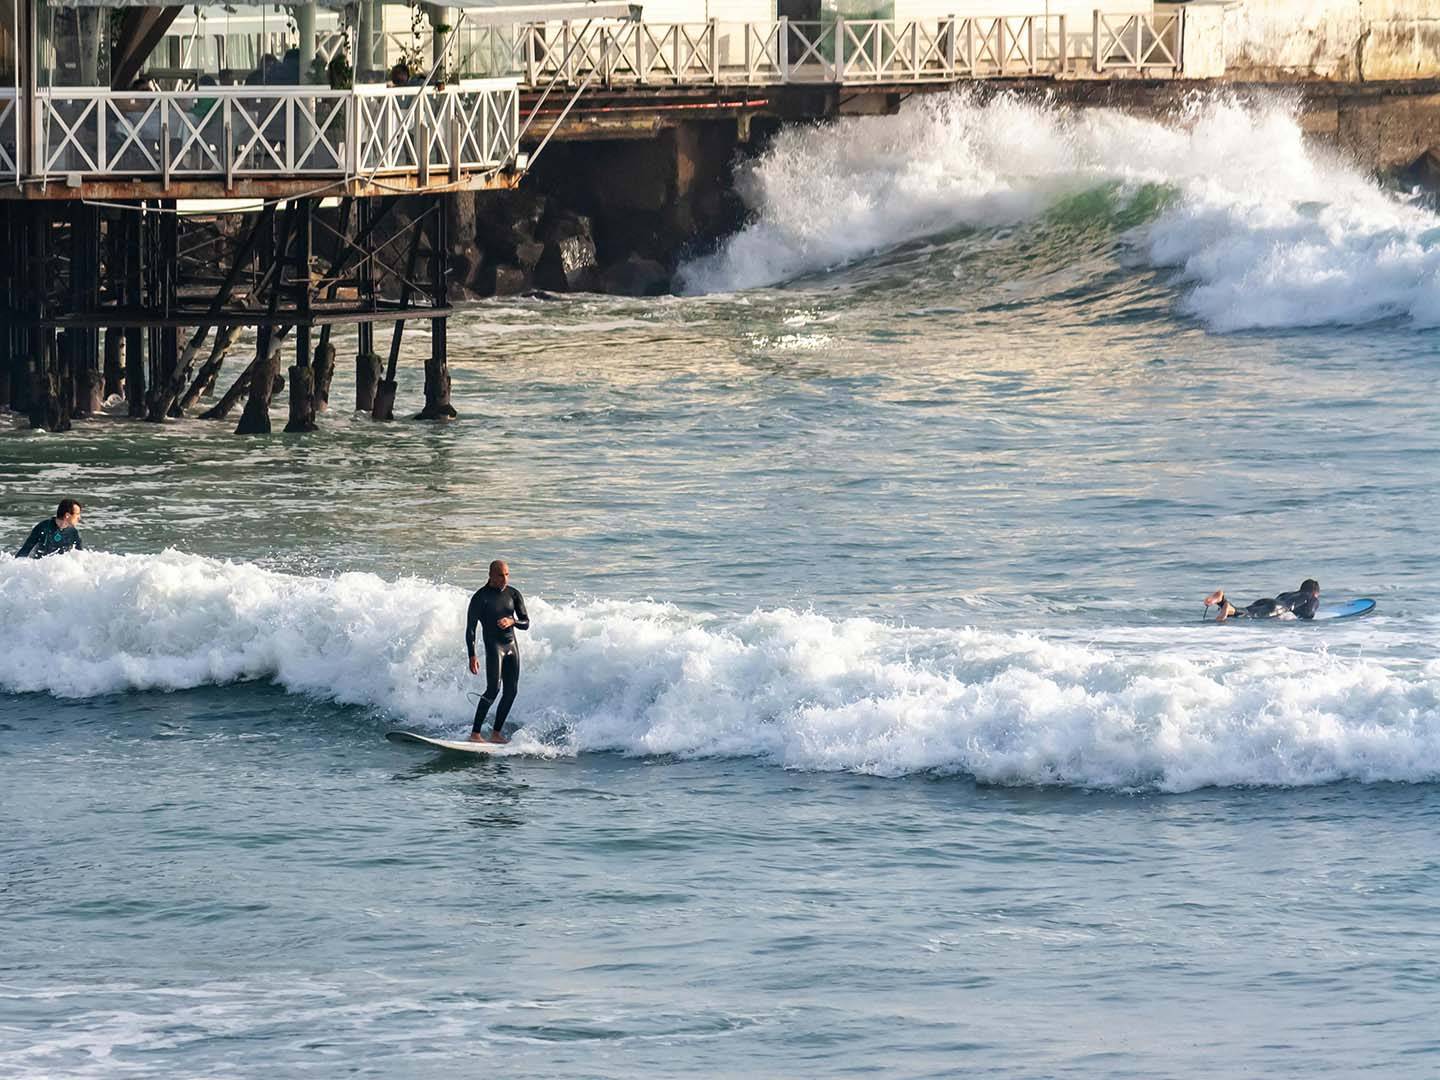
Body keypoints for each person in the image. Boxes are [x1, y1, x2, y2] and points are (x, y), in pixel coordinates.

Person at [465, 560, 530, 743]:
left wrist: (513, 622)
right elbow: (470, 629)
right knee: (493, 689)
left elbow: (526, 623)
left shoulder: (513, 594)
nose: (505, 579)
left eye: (507, 574)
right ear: (491, 575)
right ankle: (475, 734)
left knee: (511, 691)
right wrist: (472, 655)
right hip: (494, 647)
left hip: (511, 646)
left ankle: (496, 734)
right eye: (501, 575)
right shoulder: (480, 598)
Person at [1204, 579, 1320, 622]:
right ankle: (1225, 604)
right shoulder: (1312, 597)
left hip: (1267, 601)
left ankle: (1221, 601)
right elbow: (1308, 613)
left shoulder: (1287, 594)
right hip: (1278, 607)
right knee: (1249, 615)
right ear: (1315, 592)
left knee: (1245, 611)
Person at [15, 499, 85, 559]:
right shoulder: (43, 527)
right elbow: (24, 552)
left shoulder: (74, 533)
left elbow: (80, 558)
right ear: (67, 515)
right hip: (40, 569)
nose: (79, 517)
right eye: (77, 514)